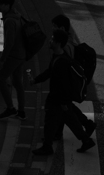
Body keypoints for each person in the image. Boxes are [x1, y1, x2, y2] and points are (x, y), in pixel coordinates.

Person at [31, 30, 96, 156]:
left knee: (50, 121)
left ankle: (47, 146)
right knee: (70, 119)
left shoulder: (62, 62)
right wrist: (36, 80)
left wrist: (63, 102)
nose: (50, 41)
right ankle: (85, 140)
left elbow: (64, 85)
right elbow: (49, 71)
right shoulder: (59, 57)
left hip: (57, 98)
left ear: (58, 43)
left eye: (52, 39)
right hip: (59, 98)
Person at [49, 14, 97, 145]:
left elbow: (66, 66)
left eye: (54, 27)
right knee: (66, 108)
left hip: (67, 83)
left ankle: (84, 133)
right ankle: (85, 126)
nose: (52, 29)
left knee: (65, 109)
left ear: (62, 28)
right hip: (69, 83)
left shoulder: (66, 45)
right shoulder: (71, 39)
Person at [0, 0, 26, 120]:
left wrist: (2, 59)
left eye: (1, 5)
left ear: (8, 5)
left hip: (13, 56)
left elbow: (9, 43)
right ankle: (21, 111)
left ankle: (10, 108)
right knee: (18, 83)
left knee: (0, 79)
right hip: (21, 54)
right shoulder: (17, 15)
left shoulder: (9, 21)